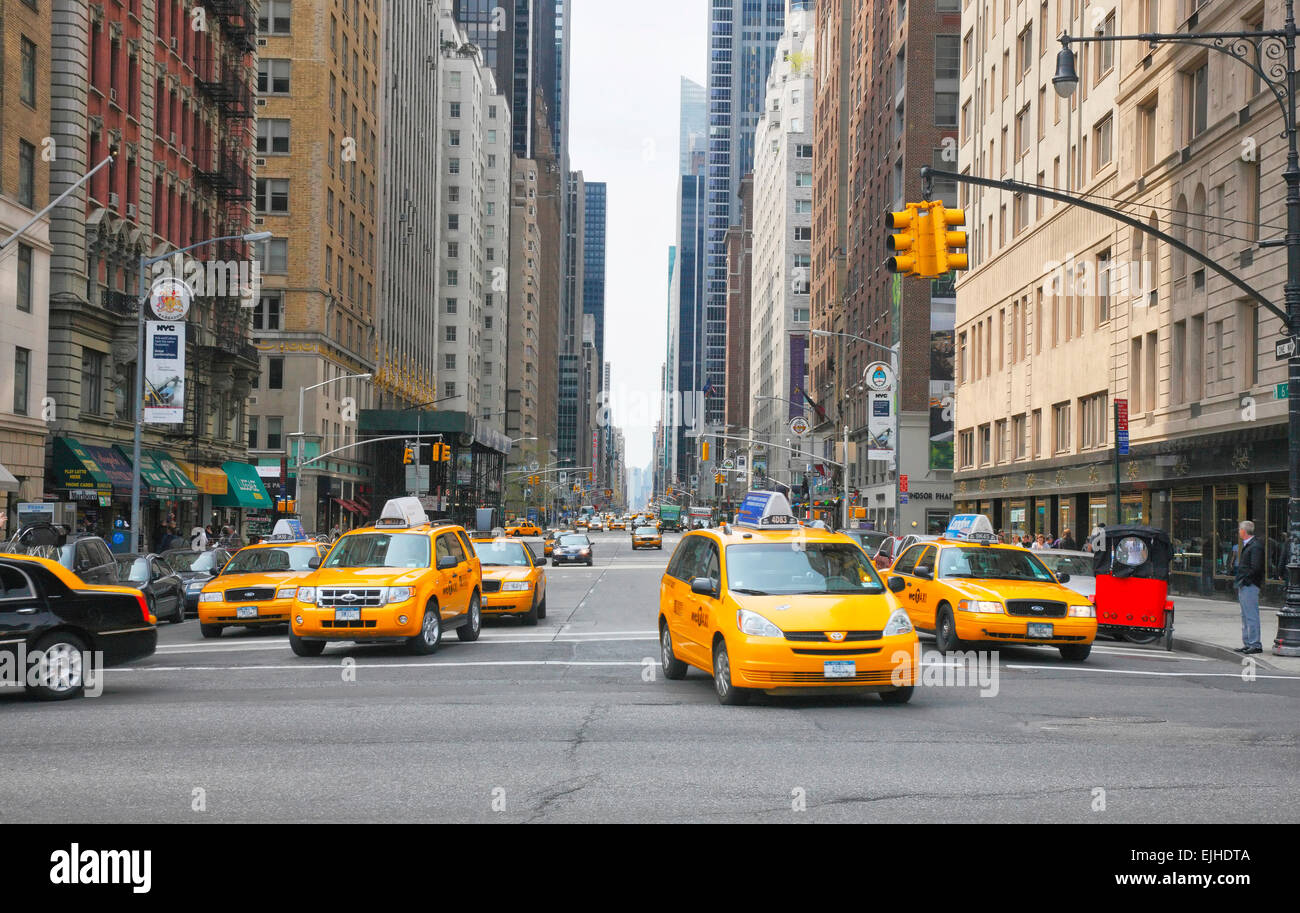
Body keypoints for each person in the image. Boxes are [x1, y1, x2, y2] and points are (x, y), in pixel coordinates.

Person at [1233, 520, 1265, 655]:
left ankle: (1255, 644)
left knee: (1251, 615)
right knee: (1245, 615)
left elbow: (1256, 568)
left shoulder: (1255, 546)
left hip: (1249, 585)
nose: (1239, 531)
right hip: (1245, 584)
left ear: (1244, 531)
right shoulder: (1250, 545)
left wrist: (1245, 580)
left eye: (1240, 529)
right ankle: (1248, 642)